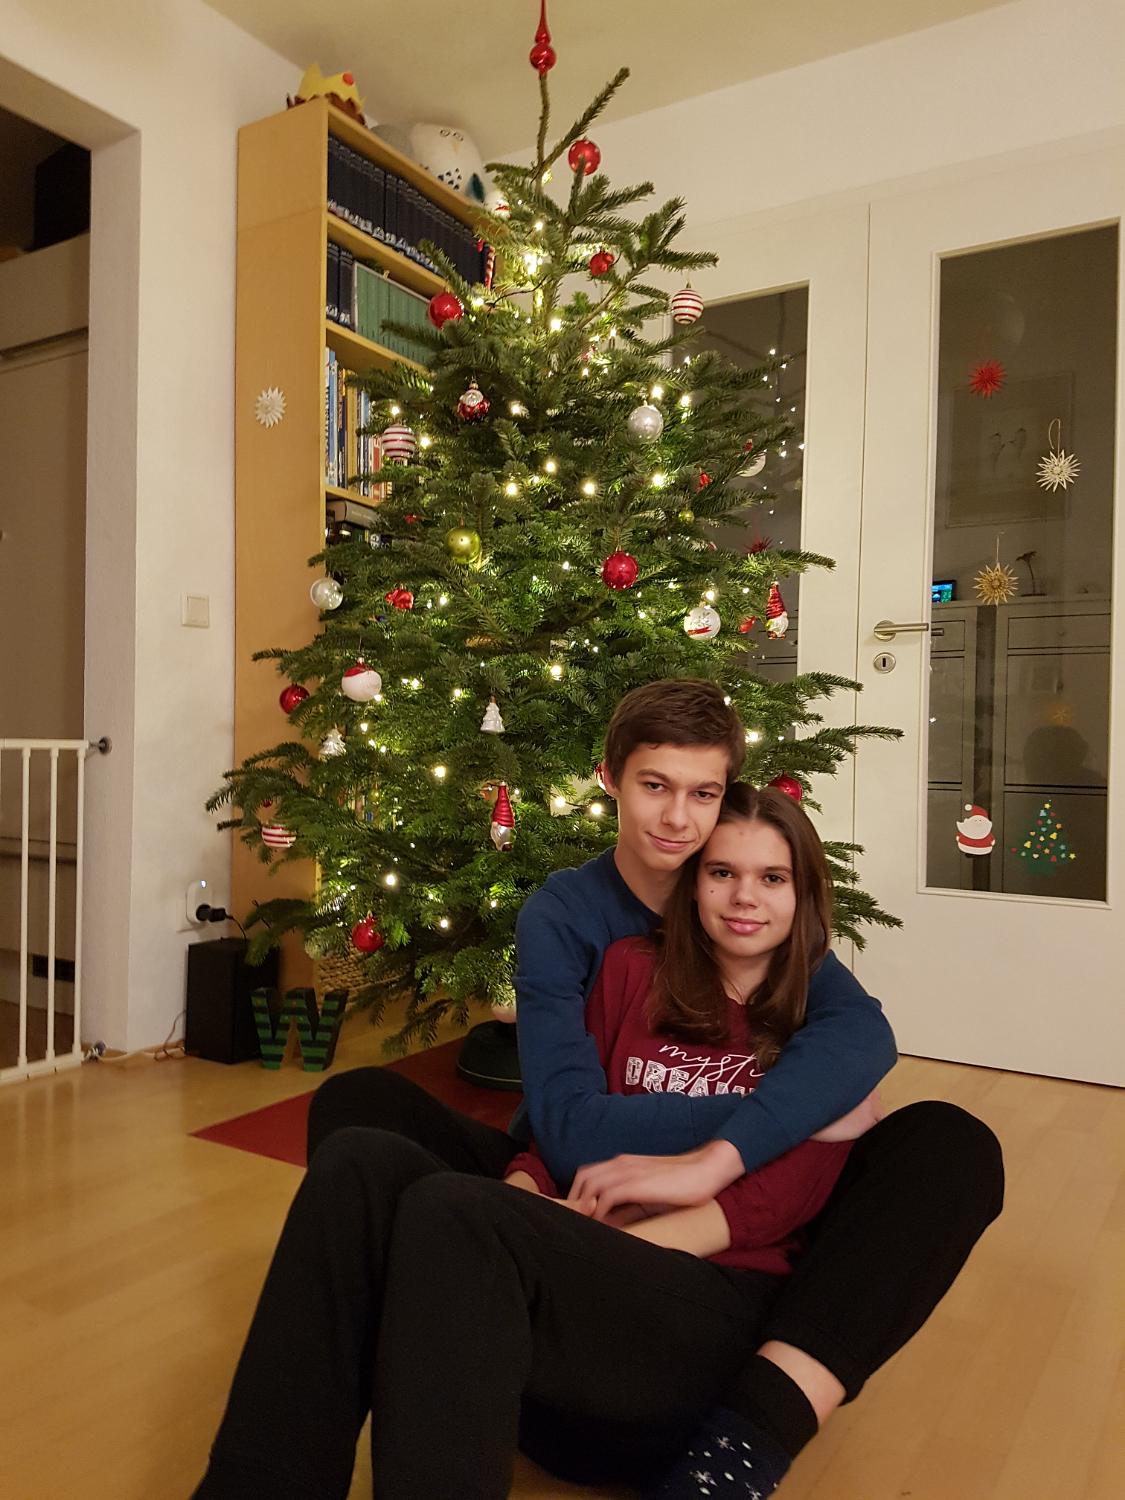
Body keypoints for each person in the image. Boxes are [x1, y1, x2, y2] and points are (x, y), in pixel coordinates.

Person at [192, 778, 1004, 1500]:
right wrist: (526, 1198)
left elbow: (777, 1201)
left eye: (772, 878)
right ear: (691, 884)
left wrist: (578, 1235)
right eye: (721, 873)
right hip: (568, 1317)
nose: (744, 897)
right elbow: (568, 1124)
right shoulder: (627, 970)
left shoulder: (817, 1026)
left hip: (698, 1321)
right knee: (362, 1153)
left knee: (459, 1216)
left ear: (805, 896)